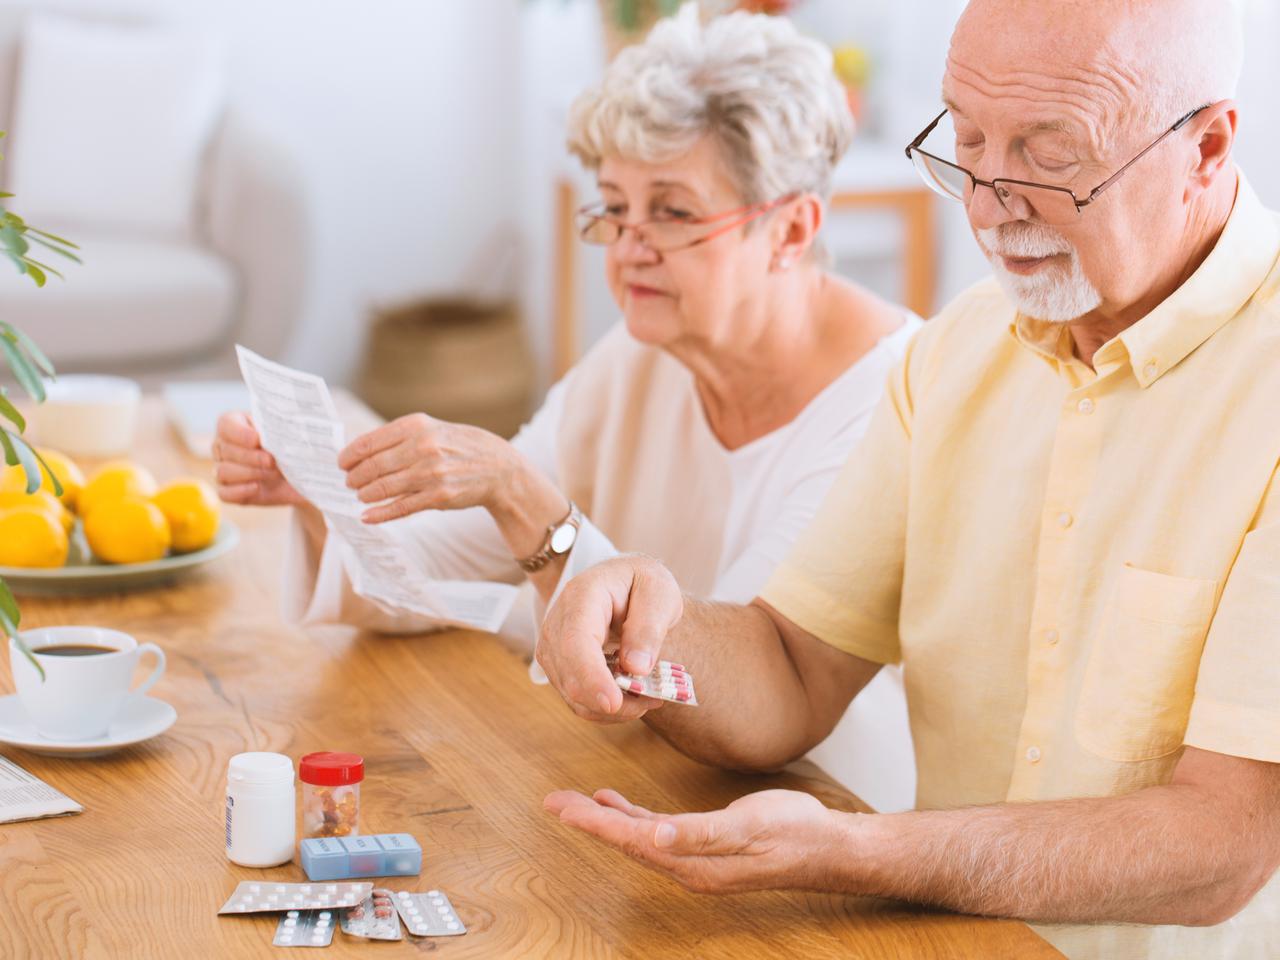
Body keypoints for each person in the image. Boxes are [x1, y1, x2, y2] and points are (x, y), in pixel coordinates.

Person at [535, 1, 1280, 956]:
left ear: (1208, 146)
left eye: (1052, 155)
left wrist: (858, 850)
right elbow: (793, 666)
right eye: (967, 140)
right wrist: (647, 618)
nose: (986, 203)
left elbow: (1224, 841)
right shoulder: (956, 353)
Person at [212, 7, 921, 808]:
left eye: (674, 210)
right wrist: (322, 490)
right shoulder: (642, 353)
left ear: (791, 229)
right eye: (615, 207)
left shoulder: (889, 397)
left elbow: (753, 710)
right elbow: (434, 578)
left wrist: (523, 497)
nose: (627, 246)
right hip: (646, 785)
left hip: (819, 813)